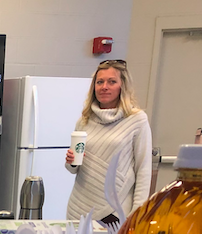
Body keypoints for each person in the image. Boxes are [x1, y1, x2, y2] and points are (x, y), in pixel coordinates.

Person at [65, 60, 152, 222]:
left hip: (115, 210)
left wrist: (137, 214)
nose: (104, 87)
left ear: (122, 86)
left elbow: (143, 170)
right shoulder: (84, 120)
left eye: (112, 82)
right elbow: (73, 169)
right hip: (80, 205)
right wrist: (71, 162)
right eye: (100, 82)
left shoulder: (136, 119)